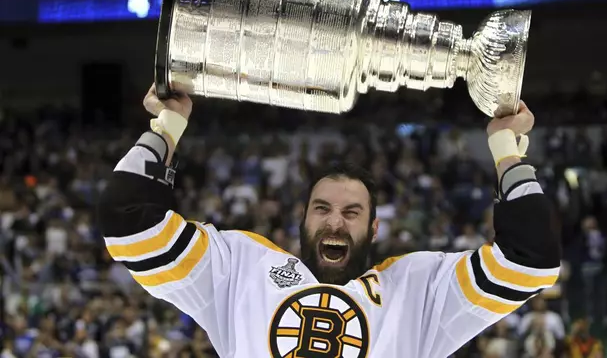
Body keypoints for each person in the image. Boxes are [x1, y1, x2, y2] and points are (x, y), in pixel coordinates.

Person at [97, 85, 561, 358]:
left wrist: (505, 150)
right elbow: (130, 227)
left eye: (351, 212)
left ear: (374, 229)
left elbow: (530, 261)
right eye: (321, 209)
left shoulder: (420, 287)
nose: (334, 223)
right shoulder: (239, 268)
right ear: (302, 218)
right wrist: (167, 128)